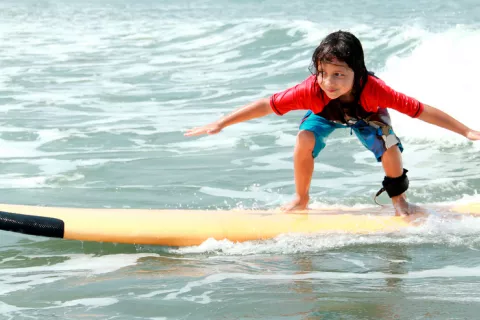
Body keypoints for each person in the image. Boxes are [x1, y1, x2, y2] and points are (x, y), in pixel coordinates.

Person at [185, 30, 480, 216]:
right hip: (325, 114)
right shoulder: (312, 90)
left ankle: (399, 201)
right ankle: (301, 198)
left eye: (339, 74)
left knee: (389, 144)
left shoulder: (374, 89)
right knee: (304, 138)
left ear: (358, 72)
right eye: (323, 72)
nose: (329, 81)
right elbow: (266, 105)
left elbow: (420, 110)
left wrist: (465, 130)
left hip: (366, 113)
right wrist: (221, 123)